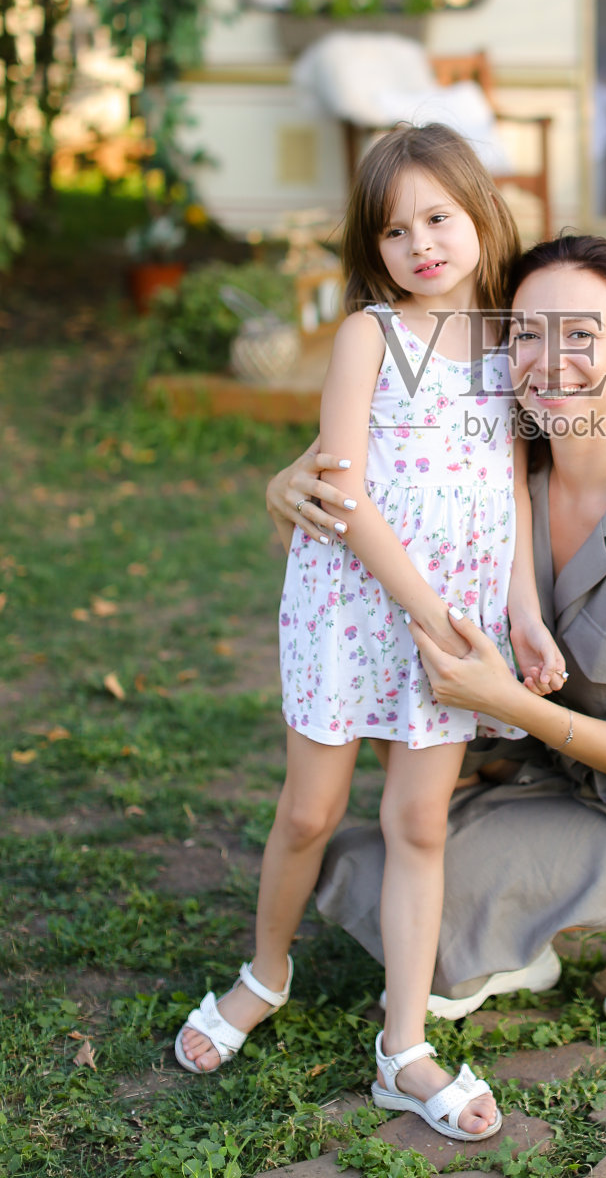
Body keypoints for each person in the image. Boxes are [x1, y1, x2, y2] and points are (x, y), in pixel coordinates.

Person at [269, 233, 606, 1044]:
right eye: (526, 333)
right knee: (368, 872)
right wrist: (283, 486)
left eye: (581, 335)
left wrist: (503, 701)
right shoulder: (495, 465)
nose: (548, 359)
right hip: (533, 766)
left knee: (422, 932)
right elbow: (359, 470)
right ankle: (521, 936)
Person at [176, 125, 565, 1144]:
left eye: (438, 217)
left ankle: (402, 1046)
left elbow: (511, 489)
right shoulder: (369, 336)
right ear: (373, 248)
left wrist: (518, 608)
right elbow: (342, 493)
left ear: (479, 212)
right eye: (395, 231)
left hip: (460, 616)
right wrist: (433, 609)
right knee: (310, 808)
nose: (421, 245)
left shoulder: (506, 339)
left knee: (418, 822)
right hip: (357, 607)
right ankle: (265, 972)